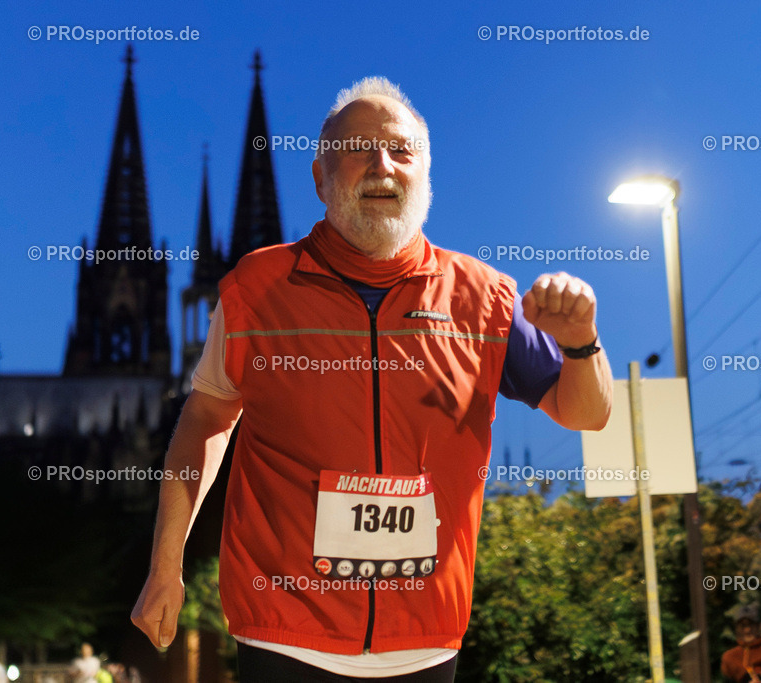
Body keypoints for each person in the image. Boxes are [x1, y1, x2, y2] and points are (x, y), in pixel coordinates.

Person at [131, 76, 612, 681]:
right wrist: (164, 565)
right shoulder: (255, 290)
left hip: (425, 639)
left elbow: (588, 413)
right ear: (320, 177)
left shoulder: (488, 298)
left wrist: (581, 344)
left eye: (401, 150)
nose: (381, 165)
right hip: (283, 635)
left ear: (425, 173)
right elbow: (204, 419)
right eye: (358, 149)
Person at [721, 604, 761, 682]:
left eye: (751, 625)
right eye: (742, 626)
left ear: (759, 626)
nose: (747, 630)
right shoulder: (730, 657)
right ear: (736, 628)